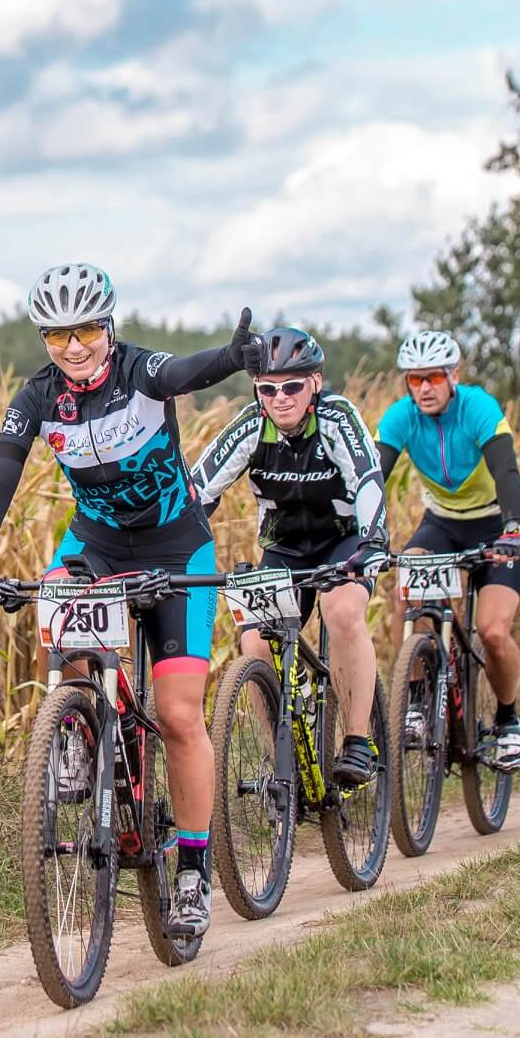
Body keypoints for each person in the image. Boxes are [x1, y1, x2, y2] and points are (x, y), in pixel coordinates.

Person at [0, 263, 270, 941]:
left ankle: (193, 871)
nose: (74, 346)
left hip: (174, 546)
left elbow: (183, 372)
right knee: (57, 603)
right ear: (44, 338)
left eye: (87, 330)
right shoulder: (38, 397)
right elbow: (1, 473)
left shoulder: (137, 371)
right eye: (57, 335)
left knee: (178, 715)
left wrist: (230, 358)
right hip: (95, 543)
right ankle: (79, 729)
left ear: (109, 326)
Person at [189, 326, 388, 785]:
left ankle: (357, 741)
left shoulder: (337, 417)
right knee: (256, 642)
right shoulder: (251, 425)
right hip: (284, 548)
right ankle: (283, 759)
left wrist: (373, 540)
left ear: (314, 383)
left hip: (343, 543)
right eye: (267, 389)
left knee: (342, 612)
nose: (280, 398)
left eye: (292, 387)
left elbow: (367, 478)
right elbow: (197, 491)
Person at [376, 330, 520, 772]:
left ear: (454, 376)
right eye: (415, 379)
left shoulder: (479, 408)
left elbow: (506, 471)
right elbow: (373, 479)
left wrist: (513, 529)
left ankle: (508, 720)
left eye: (434, 378)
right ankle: (418, 702)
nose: (424, 388)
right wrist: (360, 534)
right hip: (442, 523)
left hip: (493, 525)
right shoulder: (401, 417)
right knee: (410, 593)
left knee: (493, 633)